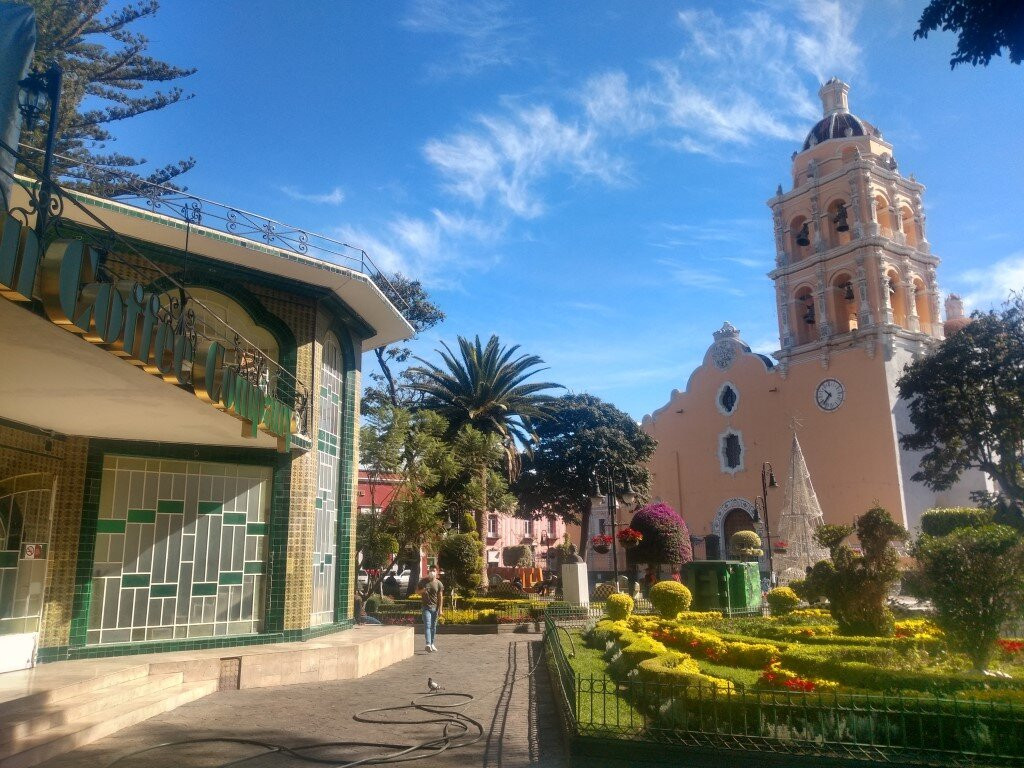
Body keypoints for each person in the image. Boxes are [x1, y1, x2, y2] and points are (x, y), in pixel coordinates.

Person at [420, 567, 444, 652]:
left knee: (433, 627)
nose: (432, 572)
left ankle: (432, 643)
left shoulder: (439, 583)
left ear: (436, 572)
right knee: (427, 625)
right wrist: (422, 591)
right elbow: (416, 591)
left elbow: (440, 597)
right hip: (426, 607)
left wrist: (440, 609)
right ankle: (428, 644)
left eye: (433, 571)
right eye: (430, 571)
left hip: (435, 608)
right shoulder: (423, 581)